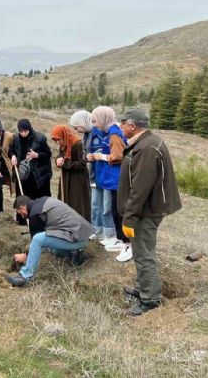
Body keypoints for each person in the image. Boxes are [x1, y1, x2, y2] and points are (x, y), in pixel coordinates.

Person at [117, 107, 182, 315]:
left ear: (132, 126)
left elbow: (140, 188)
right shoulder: (146, 143)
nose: (120, 126)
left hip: (146, 211)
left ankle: (150, 299)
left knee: (144, 254)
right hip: (145, 209)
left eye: (123, 123)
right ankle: (143, 288)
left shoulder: (146, 148)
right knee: (140, 251)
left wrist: (129, 217)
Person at [5, 195, 94, 287]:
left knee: (37, 239)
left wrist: (26, 256)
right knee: (49, 246)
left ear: (22, 208)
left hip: (75, 238)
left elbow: (35, 242)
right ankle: (75, 255)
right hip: (83, 235)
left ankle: (24, 276)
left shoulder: (35, 214)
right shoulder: (43, 201)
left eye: (20, 213)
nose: (22, 217)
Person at [88, 106, 129, 262]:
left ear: (103, 118)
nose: (95, 124)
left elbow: (118, 156)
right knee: (110, 209)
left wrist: (101, 156)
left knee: (115, 210)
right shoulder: (108, 132)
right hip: (108, 178)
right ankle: (114, 238)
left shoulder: (114, 134)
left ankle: (119, 239)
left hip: (115, 178)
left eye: (95, 120)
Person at [50, 125, 90, 221]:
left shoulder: (77, 144)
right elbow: (61, 156)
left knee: (77, 203)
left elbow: (82, 163)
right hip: (66, 177)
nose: (58, 143)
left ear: (64, 136)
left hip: (77, 179)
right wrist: (58, 160)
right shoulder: (63, 145)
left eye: (59, 140)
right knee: (66, 201)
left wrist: (65, 163)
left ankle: (79, 225)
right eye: (56, 141)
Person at [10, 119, 52, 200]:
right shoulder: (15, 138)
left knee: (37, 200)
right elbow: (11, 151)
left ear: (29, 128)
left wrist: (37, 155)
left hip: (36, 175)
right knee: (23, 200)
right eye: (21, 131)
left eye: (25, 131)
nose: (23, 133)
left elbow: (48, 154)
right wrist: (13, 156)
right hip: (22, 174)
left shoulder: (40, 138)